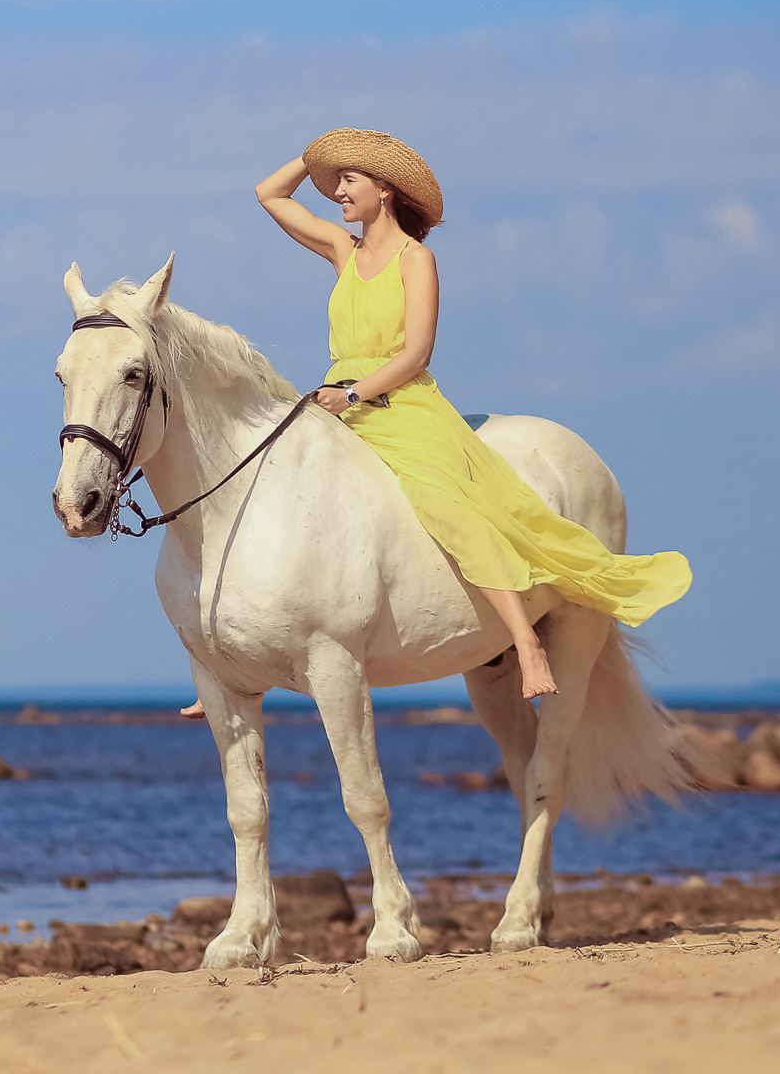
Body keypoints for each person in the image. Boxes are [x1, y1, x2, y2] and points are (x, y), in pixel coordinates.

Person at [182, 129, 689, 708]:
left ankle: (525, 642)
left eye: (350, 181)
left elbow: (416, 353)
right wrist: (320, 154)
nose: (338, 193)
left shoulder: (415, 259)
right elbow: (268, 194)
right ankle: (233, 660)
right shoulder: (343, 251)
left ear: (386, 190)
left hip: (398, 402)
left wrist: (353, 395)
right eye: (339, 181)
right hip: (336, 396)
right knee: (274, 487)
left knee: (445, 503)